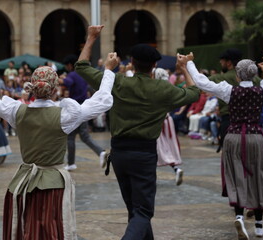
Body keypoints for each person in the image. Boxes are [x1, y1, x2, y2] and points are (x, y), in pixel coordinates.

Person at [0, 46, 118, 240]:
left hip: (23, 183)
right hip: (53, 184)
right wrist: (108, 70)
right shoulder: (64, 116)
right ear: (55, 88)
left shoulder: (17, 111)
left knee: (26, 229)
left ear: (32, 86)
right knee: (50, 230)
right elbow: (102, 100)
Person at [75, 25, 200, 240]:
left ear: (131, 63)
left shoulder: (118, 83)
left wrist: (91, 38)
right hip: (144, 154)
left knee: (135, 210)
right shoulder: (163, 89)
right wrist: (184, 68)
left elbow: (82, 66)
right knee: (143, 211)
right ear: (154, 65)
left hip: (120, 153)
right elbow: (194, 92)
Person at [182, 52, 263, 239]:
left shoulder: (229, 91)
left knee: (236, 175)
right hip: (255, 137)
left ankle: (239, 215)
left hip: (234, 136)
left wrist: (189, 63)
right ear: (254, 75)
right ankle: (259, 226)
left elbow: (201, 81)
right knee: (259, 176)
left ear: (237, 75)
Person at [60, 54, 106, 170]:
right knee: (84, 136)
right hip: (84, 107)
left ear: (70, 65)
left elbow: (68, 82)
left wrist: (61, 79)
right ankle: (100, 152)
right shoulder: (82, 74)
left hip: (74, 108)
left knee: (70, 137)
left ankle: (71, 163)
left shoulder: (72, 74)